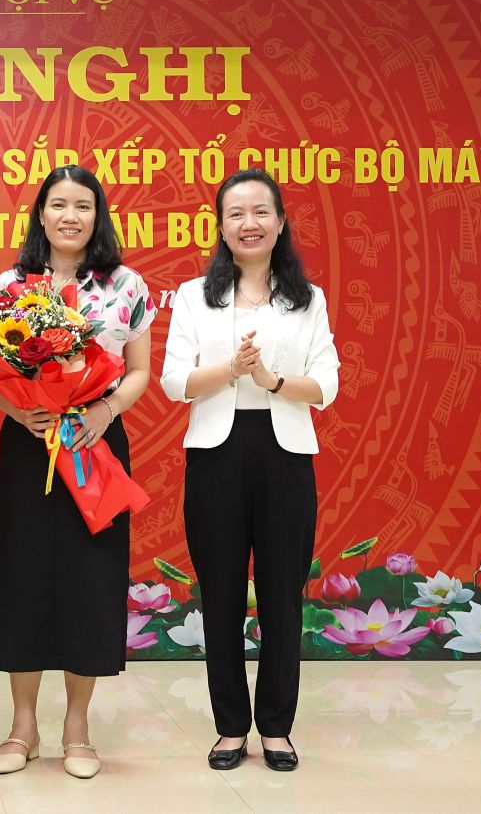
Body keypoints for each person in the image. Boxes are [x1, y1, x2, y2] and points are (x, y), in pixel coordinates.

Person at [159, 168, 338, 773]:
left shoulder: (308, 299)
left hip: (285, 455)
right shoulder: (194, 296)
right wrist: (233, 370)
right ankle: (231, 727)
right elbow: (175, 382)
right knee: (222, 597)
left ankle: (278, 729)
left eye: (261, 211)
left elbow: (327, 387)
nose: (249, 223)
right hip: (216, 453)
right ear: (221, 226)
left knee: (283, 596)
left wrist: (272, 380)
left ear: (280, 222)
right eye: (236, 213)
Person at [0, 165, 152, 780]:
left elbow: (139, 370)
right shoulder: (10, 285)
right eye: (58, 204)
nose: (70, 216)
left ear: (97, 215)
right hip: (30, 443)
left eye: (83, 205)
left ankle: (77, 726)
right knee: (24, 577)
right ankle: (22, 726)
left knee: (90, 579)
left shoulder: (125, 285)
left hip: (94, 440)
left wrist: (105, 411)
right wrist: (18, 409)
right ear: (41, 214)